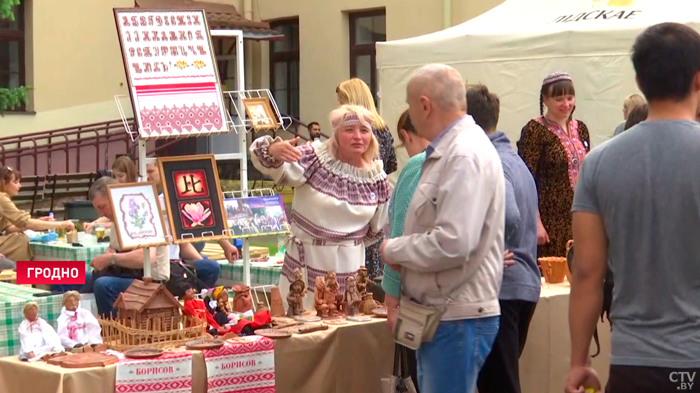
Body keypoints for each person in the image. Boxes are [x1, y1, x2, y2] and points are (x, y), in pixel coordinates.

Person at [566, 22, 700, 393]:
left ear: (639, 82)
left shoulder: (598, 163)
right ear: (699, 79)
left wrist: (579, 361)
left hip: (633, 361)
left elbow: (587, 273)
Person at [380, 64, 504, 393]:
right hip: (446, 314)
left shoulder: (463, 154)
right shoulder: (452, 151)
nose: (408, 113)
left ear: (424, 105)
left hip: (456, 316)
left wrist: (394, 250)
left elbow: (454, 242)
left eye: (409, 105)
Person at [250, 104, 389, 310]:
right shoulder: (315, 158)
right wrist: (272, 149)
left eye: (364, 131)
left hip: (350, 267)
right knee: (302, 327)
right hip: (306, 265)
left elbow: (378, 228)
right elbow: (272, 164)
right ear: (336, 134)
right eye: (349, 130)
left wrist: (346, 243)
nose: (358, 136)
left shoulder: (376, 177)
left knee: (343, 327)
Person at [467, 84, 540, 393]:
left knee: (499, 385)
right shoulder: (512, 157)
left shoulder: (492, 160)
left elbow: (510, 216)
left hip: (503, 287)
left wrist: (490, 249)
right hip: (520, 284)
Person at [517, 72, 590, 258]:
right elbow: (526, 180)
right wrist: (536, 222)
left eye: (570, 98)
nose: (566, 104)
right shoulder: (534, 131)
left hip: (579, 216)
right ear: (545, 99)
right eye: (559, 99)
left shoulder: (580, 128)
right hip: (549, 219)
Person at [382, 109, 430, 392]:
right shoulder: (476, 160)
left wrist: (391, 304)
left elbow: (399, 234)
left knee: (419, 378)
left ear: (405, 135)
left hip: (417, 298)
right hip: (467, 301)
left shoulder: (417, 165)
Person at [336, 78, 397, 279]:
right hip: (375, 211)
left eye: (342, 101)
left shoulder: (359, 134)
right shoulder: (384, 130)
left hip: (356, 212)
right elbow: (389, 167)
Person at [87, 176, 170, 317]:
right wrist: (109, 255)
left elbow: (146, 258)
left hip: (149, 281)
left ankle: (114, 330)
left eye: (102, 207)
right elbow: (114, 250)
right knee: (72, 275)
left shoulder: (140, 217)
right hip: (125, 274)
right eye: (98, 209)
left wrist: (110, 259)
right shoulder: (116, 221)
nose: (101, 214)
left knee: (103, 285)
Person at [146, 162, 237, 287]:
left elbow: (188, 238)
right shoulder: (159, 200)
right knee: (209, 267)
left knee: (207, 265)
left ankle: (197, 297)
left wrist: (224, 246)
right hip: (166, 265)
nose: (146, 175)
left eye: (150, 171)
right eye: (145, 172)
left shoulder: (170, 198)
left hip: (175, 260)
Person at [0, 166, 75, 263]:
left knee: (19, 237)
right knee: (20, 240)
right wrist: (61, 224)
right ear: (3, 183)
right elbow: (24, 222)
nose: (20, 186)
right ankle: (20, 273)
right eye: (15, 182)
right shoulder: (1, 198)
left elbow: (10, 228)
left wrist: (38, 222)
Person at [83, 155, 138, 233]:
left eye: (120, 176)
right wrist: (94, 223)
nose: (117, 180)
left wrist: (102, 225)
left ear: (130, 174)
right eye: (114, 176)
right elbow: (110, 214)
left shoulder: (136, 195)